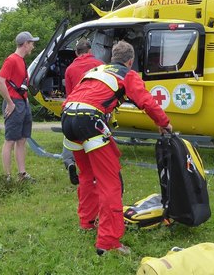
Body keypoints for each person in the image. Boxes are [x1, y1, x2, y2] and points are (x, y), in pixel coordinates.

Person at [61, 40, 172, 255]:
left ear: (112, 57)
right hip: (89, 120)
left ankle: (87, 222)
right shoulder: (127, 75)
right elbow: (146, 101)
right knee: (109, 182)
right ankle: (108, 242)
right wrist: (164, 123)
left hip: (68, 117)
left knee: (86, 176)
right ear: (130, 61)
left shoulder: (97, 70)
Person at [0, 31, 39, 182]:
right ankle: (7, 177)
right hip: (14, 104)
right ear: (25, 44)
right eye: (32, 43)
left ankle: (22, 174)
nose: (33, 46)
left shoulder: (21, 60)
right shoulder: (11, 60)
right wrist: (9, 102)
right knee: (10, 141)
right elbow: (0, 81)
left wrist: (25, 100)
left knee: (22, 139)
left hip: (22, 103)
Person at [61, 39, 104, 185]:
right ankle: (96, 169)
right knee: (97, 142)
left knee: (70, 140)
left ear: (76, 53)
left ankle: (69, 162)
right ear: (90, 51)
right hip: (94, 110)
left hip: (74, 110)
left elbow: (69, 94)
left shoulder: (70, 69)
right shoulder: (100, 65)